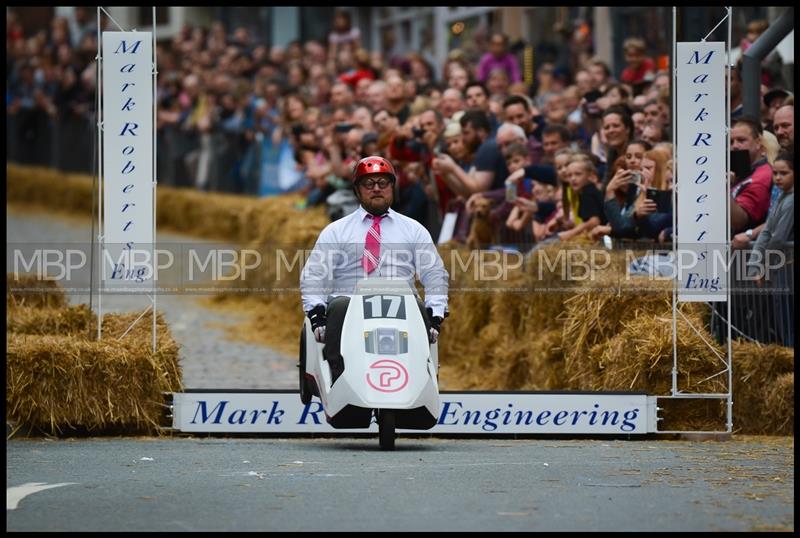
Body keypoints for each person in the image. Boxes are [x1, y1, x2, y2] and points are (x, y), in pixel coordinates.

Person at [300, 156, 449, 383]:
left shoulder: (414, 230)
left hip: (401, 308)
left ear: (392, 188)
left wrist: (435, 312)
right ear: (358, 191)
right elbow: (314, 274)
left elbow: (435, 273)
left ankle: (419, 378)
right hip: (349, 308)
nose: (376, 189)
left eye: (383, 183)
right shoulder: (336, 231)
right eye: (369, 184)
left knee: (419, 307)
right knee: (338, 306)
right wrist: (316, 312)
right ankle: (339, 376)